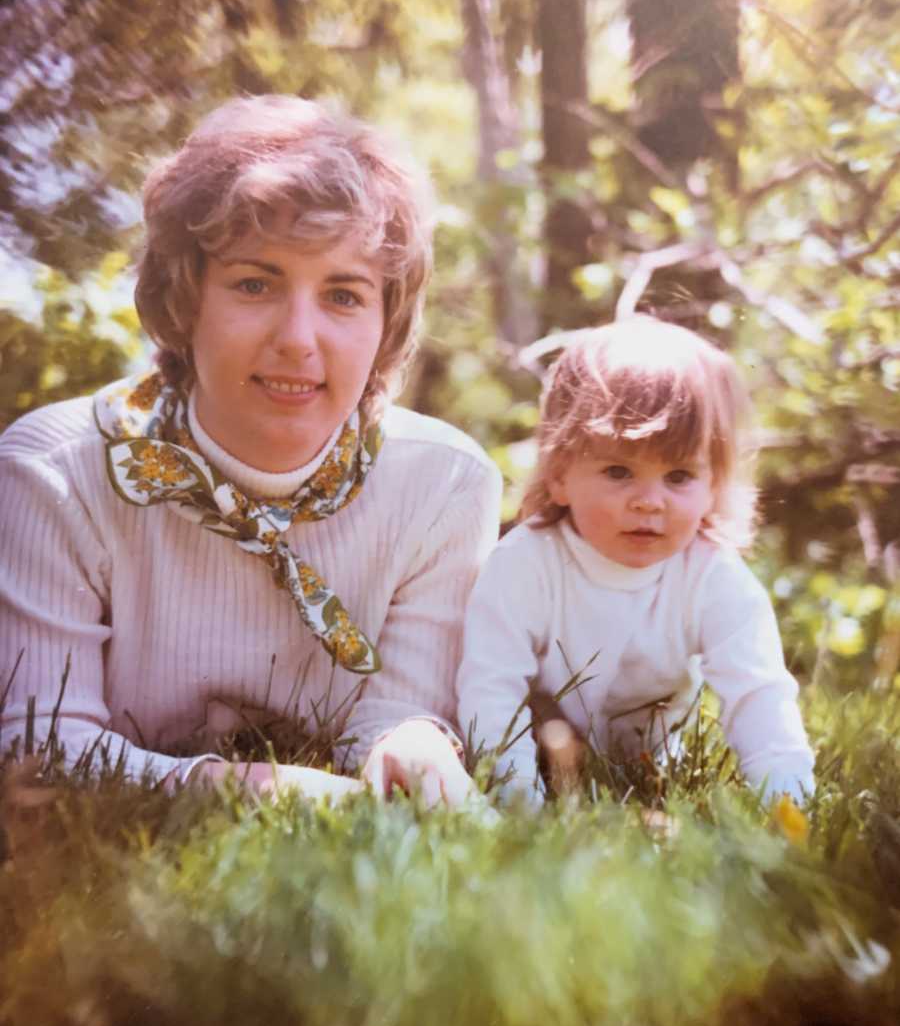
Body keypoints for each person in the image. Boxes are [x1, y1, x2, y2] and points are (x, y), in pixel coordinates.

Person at [0, 94, 501, 805]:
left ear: (388, 319)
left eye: (344, 295)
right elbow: (41, 754)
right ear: (184, 298)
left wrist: (411, 745)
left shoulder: (446, 484)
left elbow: (395, 712)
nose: (299, 338)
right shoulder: (56, 470)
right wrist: (268, 792)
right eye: (255, 283)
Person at [457, 316, 815, 807]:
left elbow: (760, 697)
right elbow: (491, 687)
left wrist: (789, 805)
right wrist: (519, 802)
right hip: (534, 753)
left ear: (715, 484)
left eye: (680, 476)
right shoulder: (526, 563)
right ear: (559, 474)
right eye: (619, 471)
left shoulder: (712, 577)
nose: (650, 501)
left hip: (641, 768)